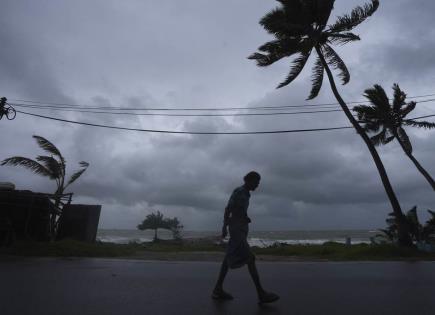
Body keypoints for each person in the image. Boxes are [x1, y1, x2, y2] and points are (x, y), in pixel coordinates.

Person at [212, 171, 279, 304]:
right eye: (256, 182)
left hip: (241, 229)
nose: (257, 185)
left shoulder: (246, 194)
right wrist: (224, 226)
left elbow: (238, 210)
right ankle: (261, 293)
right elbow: (228, 209)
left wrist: (245, 217)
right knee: (250, 258)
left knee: (227, 259)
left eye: (258, 183)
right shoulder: (239, 192)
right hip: (236, 230)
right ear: (249, 180)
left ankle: (217, 289)